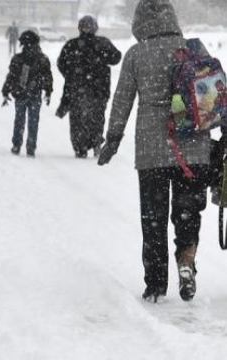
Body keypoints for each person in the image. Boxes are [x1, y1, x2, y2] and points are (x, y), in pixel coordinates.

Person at [97, 0, 212, 303]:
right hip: (194, 148)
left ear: (140, 22)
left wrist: (112, 138)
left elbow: (122, 100)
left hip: (152, 150)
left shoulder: (137, 54)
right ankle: (186, 261)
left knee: (154, 218)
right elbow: (212, 96)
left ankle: (156, 285)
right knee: (187, 214)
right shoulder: (193, 49)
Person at [57, 15, 122, 159]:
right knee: (97, 118)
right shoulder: (102, 43)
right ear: (95, 28)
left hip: (76, 89)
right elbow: (116, 57)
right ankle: (96, 142)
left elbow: (61, 64)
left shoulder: (71, 45)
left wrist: (72, 75)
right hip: (99, 89)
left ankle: (80, 147)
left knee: (77, 120)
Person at [1, 30, 53, 157]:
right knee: (33, 121)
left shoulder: (18, 58)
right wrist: (48, 91)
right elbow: (48, 76)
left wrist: (6, 91)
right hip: (35, 94)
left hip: (20, 93)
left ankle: (16, 145)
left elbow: (11, 76)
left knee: (19, 120)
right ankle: (31, 146)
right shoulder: (43, 58)